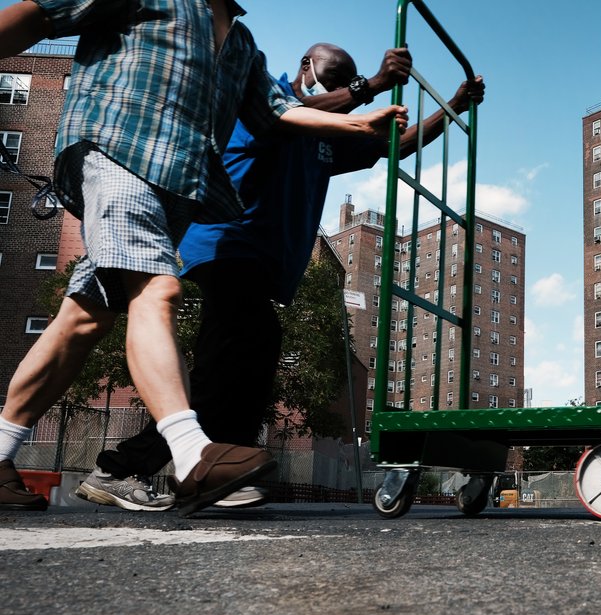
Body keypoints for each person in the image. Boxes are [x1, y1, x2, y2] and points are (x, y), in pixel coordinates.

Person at [0, 0, 408, 516]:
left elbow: (276, 112)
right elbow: (40, 15)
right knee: (158, 289)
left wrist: (362, 121)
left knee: (83, 318)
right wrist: (368, 90)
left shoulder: (241, 47)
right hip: (115, 154)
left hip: (174, 192)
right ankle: (193, 455)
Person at [74, 41, 485, 511]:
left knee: (248, 356)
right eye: (331, 82)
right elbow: (291, 111)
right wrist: (370, 85)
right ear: (306, 67)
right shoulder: (271, 99)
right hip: (224, 242)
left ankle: (225, 465)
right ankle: (121, 468)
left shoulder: (327, 135)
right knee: (232, 354)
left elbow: (396, 146)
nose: (339, 93)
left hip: (261, 260)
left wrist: (452, 106)